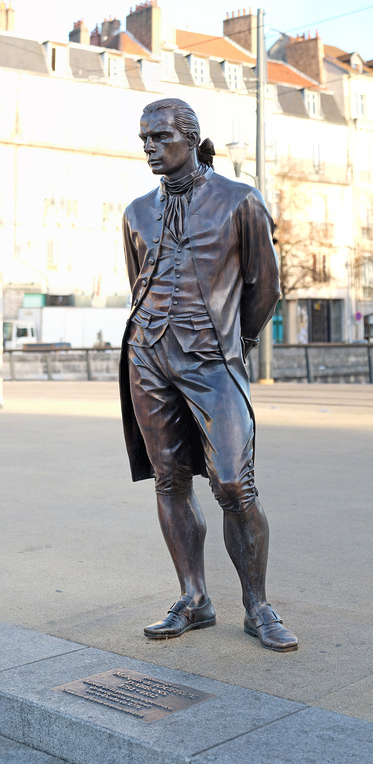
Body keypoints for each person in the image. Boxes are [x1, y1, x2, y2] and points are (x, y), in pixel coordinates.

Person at [119, 98, 298, 652]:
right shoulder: (135, 211)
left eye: (159, 137)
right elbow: (137, 282)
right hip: (149, 356)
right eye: (143, 138)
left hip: (213, 357)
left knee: (232, 483)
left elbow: (264, 287)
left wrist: (235, 344)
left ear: (190, 138)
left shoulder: (240, 200)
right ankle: (193, 598)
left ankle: (258, 605)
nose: (148, 147)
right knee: (169, 479)